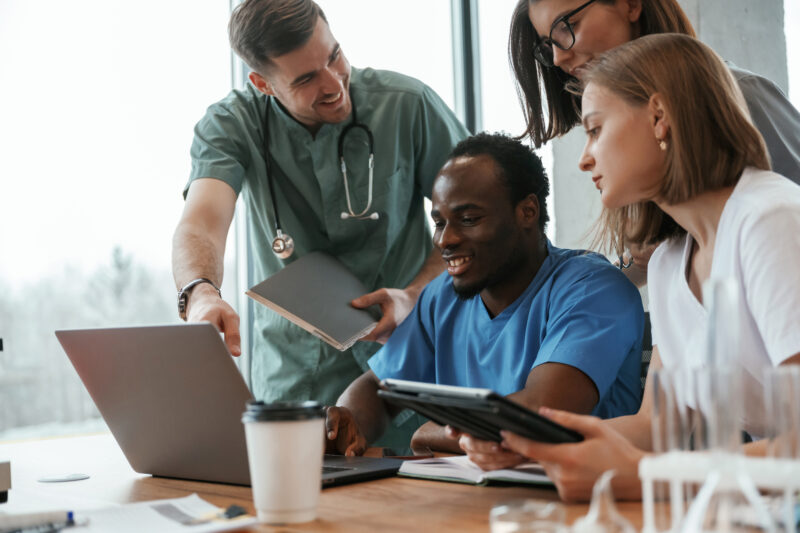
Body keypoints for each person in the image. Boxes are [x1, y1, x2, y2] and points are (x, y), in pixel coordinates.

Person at [480, 34, 800, 502]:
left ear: (658, 117)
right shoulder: (672, 263)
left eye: (595, 129)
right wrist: (535, 445)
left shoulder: (770, 220)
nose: (585, 157)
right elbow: (656, 424)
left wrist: (648, 473)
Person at [171, 0, 469, 443]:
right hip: (295, 384)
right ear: (263, 83)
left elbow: (475, 220)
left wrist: (415, 295)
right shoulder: (232, 125)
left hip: (410, 369)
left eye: (334, 56)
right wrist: (199, 293)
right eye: (306, 78)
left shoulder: (408, 106)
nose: (334, 84)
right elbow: (202, 222)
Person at [325, 132, 645, 456]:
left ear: (527, 212)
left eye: (468, 220)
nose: (445, 240)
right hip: (475, 499)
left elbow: (544, 413)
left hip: (582, 496)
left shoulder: (593, 289)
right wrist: (348, 423)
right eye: (439, 222)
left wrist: (432, 433)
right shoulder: (442, 298)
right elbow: (379, 386)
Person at [509, 0, 800, 282]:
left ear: (631, 5)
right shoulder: (632, 147)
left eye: (569, 25)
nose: (558, 58)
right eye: (548, 44)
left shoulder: (742, 96)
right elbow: (647, 255)